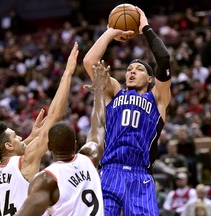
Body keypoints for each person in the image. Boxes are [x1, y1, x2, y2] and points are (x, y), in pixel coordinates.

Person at [83, 6, 172, 216]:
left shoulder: (158, 98)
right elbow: (89, 62)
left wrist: (146, 28)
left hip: (140, 175)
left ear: (150, 79)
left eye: (139, 69)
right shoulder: (114, 92)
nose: (132, 72)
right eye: (130, 69)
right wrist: (112, 31)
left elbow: (164, 59)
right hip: (110, 171)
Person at [0, 42, 79, 216]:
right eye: (16, 136)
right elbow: (55, 116)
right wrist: (68, 73)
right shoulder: (25, 161)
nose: (21, 137)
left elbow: (8, 156)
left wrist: (31, 137)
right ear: (8, 146)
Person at [15, 61, 109, 216]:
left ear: (49, 146)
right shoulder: (90, 157)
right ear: (75, 144)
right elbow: (98, 125)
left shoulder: (46, 180)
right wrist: (99, 90)